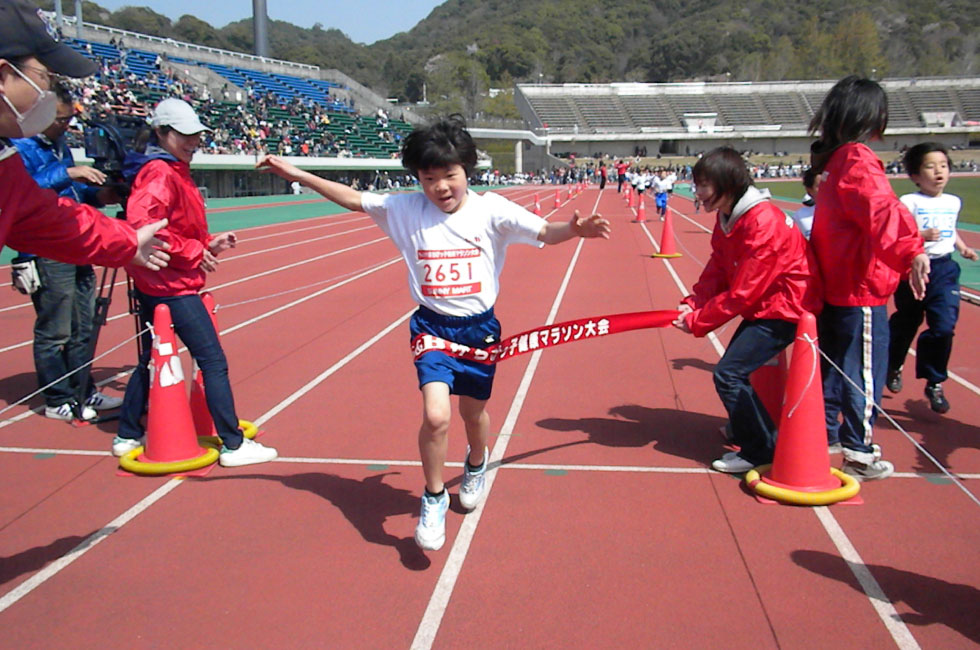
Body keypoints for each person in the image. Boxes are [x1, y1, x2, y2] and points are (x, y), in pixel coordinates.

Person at [257, 115, 610, 551]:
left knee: (473, 415)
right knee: (437, 415)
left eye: (450, 175)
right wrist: (295, 173)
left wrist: (574, 230)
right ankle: (434, 495)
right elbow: (352, 198)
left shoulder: (491, 209)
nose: (441, 187)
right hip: (432, 328)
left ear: (467, 171)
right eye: (429, 178)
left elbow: (544, 231)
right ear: (418, 179)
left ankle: (476, 463)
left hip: (479, 329)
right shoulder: (404, 210)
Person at [111, 98, 278, 468]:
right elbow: (145, 228)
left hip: (165, 279)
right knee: (212, 360)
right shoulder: (159, 172)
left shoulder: (173, 168)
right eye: (184, 135)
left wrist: (206, 245)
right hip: (170, 284)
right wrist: (191, 250)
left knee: (151, 358)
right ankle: (233, 444)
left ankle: (126, 432)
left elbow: (175, 227)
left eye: (196, 135)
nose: (193, 142)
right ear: (162, 133)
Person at [808, 76, 930, 481]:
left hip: (835, 284)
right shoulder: (857, 159)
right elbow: (881, 211)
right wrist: (912, 250)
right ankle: (859, 451)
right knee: (862, 372)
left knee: (832, 369)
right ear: (871, 116)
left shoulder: (832, 161)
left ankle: (825, 438)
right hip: (859, 288)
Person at [673, 147, 820, 473]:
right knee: (735, 371)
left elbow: (743, 291)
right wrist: (694, 301)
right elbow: (718, 268)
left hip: (786, 307)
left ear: (728, 184)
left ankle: (759, 449)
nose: (698, 193)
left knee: (729, 374)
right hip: (767, 304)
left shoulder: (761, 222)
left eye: (704, 185)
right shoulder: (729, 217)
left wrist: (699, 320)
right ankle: (753, 432)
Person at [0, 0, 171, 273]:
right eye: (45, 76)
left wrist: (125, 241)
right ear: (4, 75)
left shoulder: (4, 159)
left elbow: (38, 216)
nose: (49, 90)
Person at [12, 82, 124, 420]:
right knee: (55, 328)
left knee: (84, 325)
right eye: (60, 119)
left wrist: (100, 195)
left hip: (73, 241)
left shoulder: (60, 144)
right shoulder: (19, 145)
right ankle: (57, 397)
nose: (66, 126)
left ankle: (83, 391)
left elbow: (72, 190)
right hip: (46, 247)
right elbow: (24, 191)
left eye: (68, 120)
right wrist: (68, 172)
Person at [886, 142, 978, 413]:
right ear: (915, 175)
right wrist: (921, 237)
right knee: (907, 322)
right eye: (930, 166)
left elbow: (950, 228)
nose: (939, 171)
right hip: (912, 270)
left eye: (943, 165)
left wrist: (962, 247)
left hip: (944, 270)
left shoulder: (953, 202)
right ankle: (894, 364)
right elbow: (898, 235)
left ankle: (934, 381)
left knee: (944, 326)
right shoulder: (909, 202)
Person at [790, 168, 821, 240]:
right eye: (820, 186)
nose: (827, 188)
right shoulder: (800, 217)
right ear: (809, 190)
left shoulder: (845, 212)